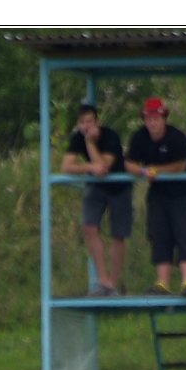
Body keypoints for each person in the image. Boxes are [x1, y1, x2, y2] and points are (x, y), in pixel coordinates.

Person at [124, 98, 186, 296]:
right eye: (148, 119)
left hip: (184, 192)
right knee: (159, 234)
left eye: (156, 119)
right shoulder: (139, 137)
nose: (152, 123)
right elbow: (129, 163)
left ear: (164, 118)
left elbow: (181, 165)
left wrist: (156, 170)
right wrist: (143, 171)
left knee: (185, 233)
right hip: (159, 193)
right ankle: (163, 283)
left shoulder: (177, 137)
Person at [60, 104, 132, 296]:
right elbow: (66, 167)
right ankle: (103, 281)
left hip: (119, 187)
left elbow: (103, 167)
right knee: (89, 228)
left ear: (97, 122)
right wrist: (89, 168)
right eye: (82, 122)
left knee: (118, 235)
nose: (86, 126)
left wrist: (90, 144)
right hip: (96, 186)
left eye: (89, 122)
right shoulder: (78, 137)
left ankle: (113, 284)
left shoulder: (110, 136)